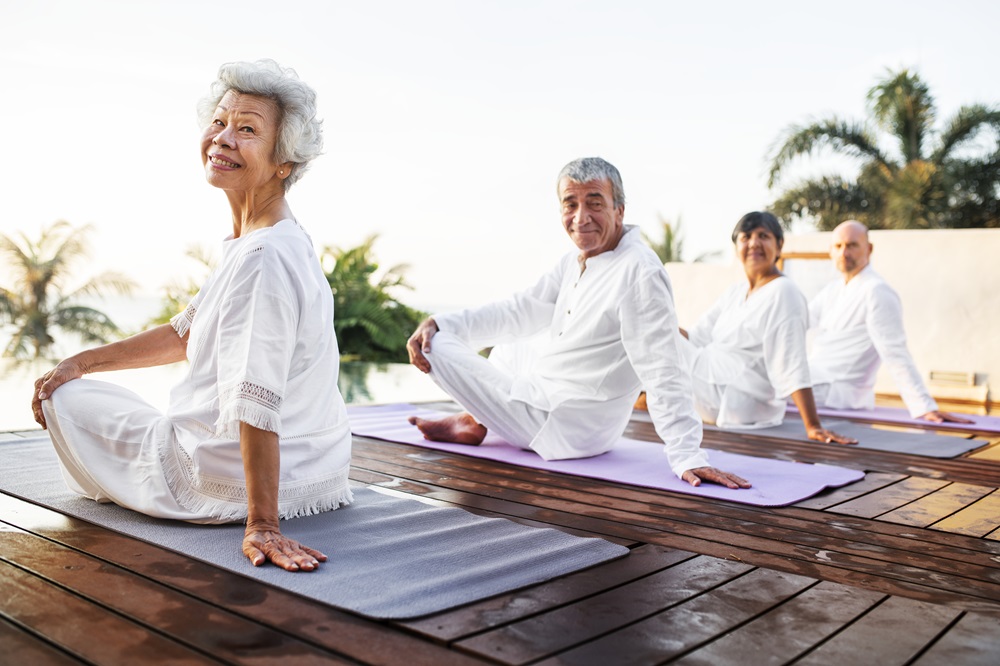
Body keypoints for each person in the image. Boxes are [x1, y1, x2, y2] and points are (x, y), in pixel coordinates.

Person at [30, 59, 352, 572]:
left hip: (222, 488)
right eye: (220, 121)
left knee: (65, 398)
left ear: (283, 162)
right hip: (318, 477)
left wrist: (262, 524)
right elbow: (186, 331)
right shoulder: (271, 239)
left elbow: (255, 395)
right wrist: (83, 360)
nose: (223, 138)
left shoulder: (264, 258)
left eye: (247, 129)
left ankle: (215, 498)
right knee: (77, 379)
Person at [406, 157, 749, 489]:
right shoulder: (575, 261)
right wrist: (440, 320)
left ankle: (476, 418)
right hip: (561, 403)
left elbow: (664, 369)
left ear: (620, 210)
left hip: (566, 425)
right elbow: (520, 310)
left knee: (435, 345)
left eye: (594, 203)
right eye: (570, 204)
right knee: (505, 341)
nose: (581, 217)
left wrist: (687, 455)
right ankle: (475, 421)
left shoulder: (639, 271)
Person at [679, 212, 856, 445]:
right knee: (649, 333)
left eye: (763, 236)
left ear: (779, 245)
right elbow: (695, 335)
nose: (754, 243)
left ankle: (644, 399)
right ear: (736, 248)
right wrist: (661, 327)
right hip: (709, 382)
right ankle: (645, 398)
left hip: (734, 398)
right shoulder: (735, 292)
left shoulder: (784, 292)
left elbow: (793, 362)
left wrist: (813, 425)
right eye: (746, 237)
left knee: (647, 339)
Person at [808, 220, 972, 424]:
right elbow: (798, 322)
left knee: (765, 382)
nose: (844, 253)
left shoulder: (876, 291)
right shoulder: (832, 290)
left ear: (869, 249)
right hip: (815, 378)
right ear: (830, 251)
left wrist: (924, 406)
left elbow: (894, 351)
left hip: (837, 390)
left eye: (852, 245)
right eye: (838, 246)